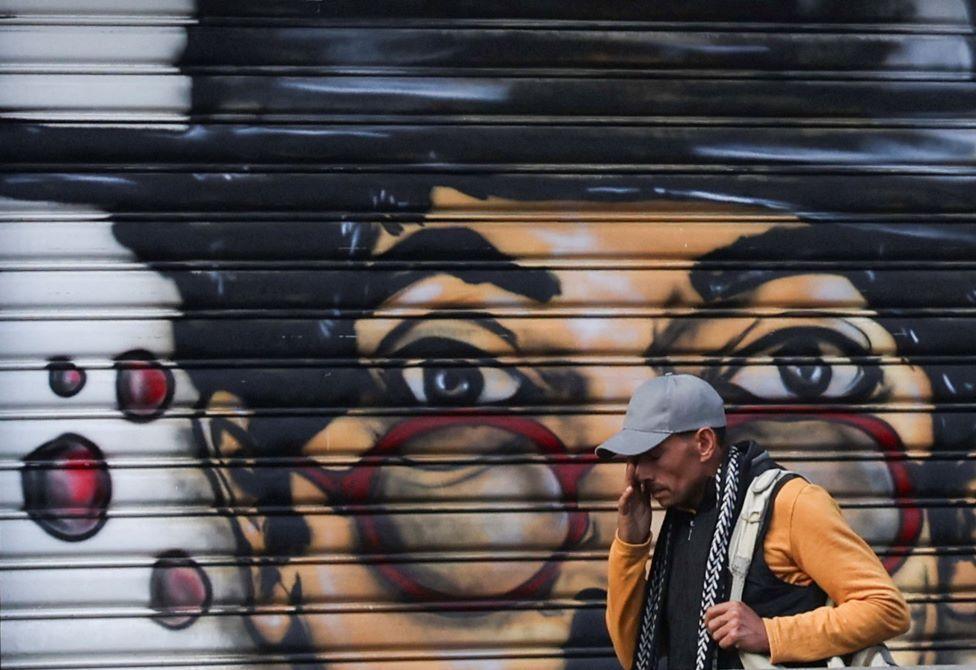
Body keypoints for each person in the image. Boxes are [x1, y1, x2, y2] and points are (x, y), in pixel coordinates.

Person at [598, 373, 911, 670]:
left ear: (704, 443)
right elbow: (634, 654)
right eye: (633, 460)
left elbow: (886, 608)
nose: (639, 474)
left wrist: (770, 633)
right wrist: (630, 545)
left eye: (653, 457)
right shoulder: (681, 521)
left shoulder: (788, 503)